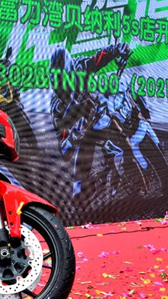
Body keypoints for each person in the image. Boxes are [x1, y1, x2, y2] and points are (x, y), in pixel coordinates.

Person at [49, 43, 130, 200]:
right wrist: (75, 134)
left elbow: (98, 58)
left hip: (98, 105)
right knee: (84, 145)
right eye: (59, 84)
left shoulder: (80, 65)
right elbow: (64, 150)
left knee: (119, 101)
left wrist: (116, 49)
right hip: (85, 126)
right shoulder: (57, 106)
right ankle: (81, 185)